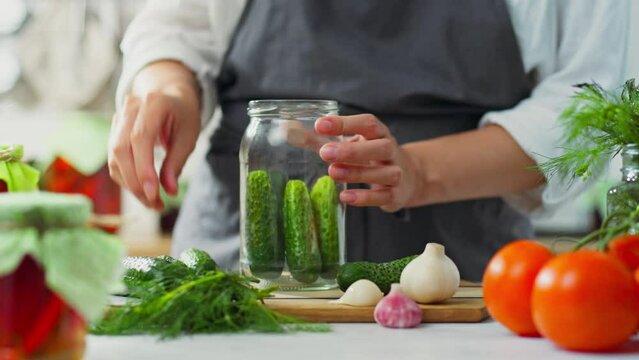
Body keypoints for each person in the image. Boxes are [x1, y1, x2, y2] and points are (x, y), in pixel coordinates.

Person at [108, 0, 628, 281]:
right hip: (233, 269)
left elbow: (587, 102)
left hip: (455, 275)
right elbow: (177, 22)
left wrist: (420, 171)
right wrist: (166, 84)